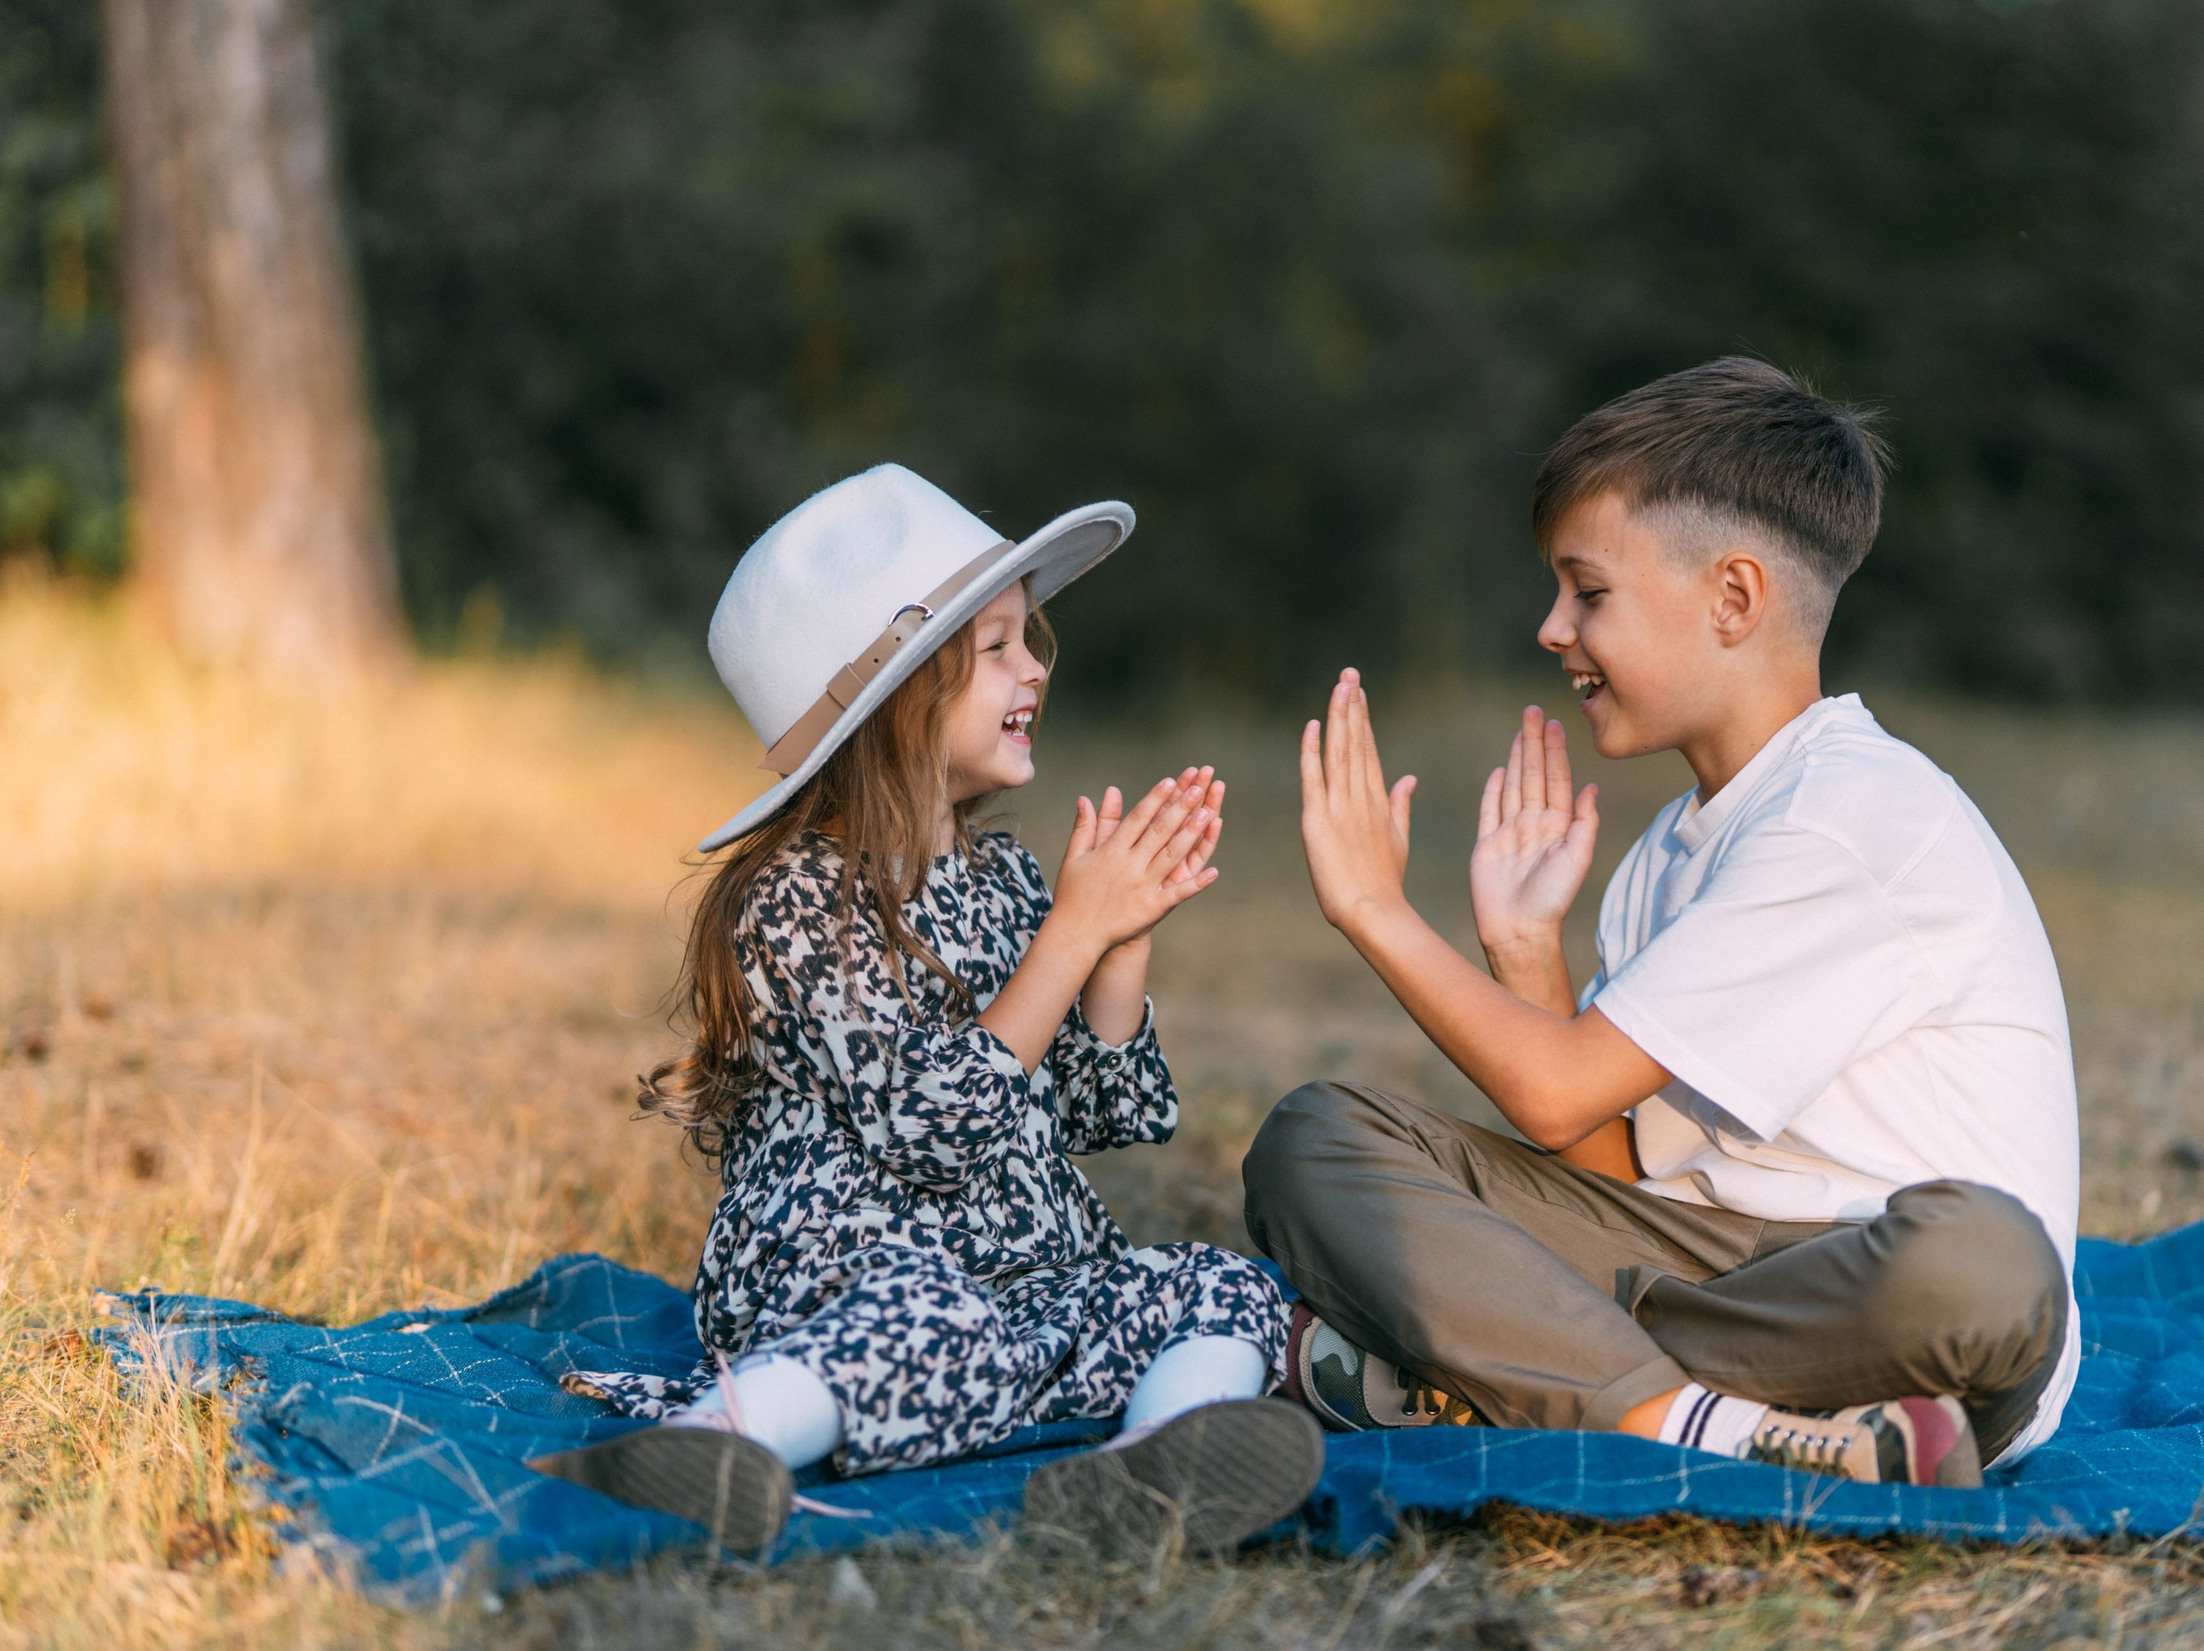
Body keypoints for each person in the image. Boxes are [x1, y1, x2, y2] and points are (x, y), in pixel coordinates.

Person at [1250, 358, 2079, 1488]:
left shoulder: (1852, 814)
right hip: (1697, 1270)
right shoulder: (1663, 859)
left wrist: (1372, 910)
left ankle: (1499, 1369)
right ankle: (1699, 1425)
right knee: (1316, 1136)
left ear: (1733, 599)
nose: (1551, 629)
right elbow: (1616, 1165)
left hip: (1881, 1301)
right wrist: (1526, 953)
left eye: (1586, 592)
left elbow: (1552, 1094)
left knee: (1985, 1259)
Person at [533, 464, 1322, 1555]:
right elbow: (936, 1128)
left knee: (1218, 1286)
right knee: (933, 1327)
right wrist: (1069, 940)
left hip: (1024, 1279)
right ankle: (722, 1440)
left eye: (1028, 636)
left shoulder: (1003, 881)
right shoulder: (796, 901)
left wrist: (1118, 945)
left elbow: (1104, 1115)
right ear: (896, 699)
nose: (1033, 664)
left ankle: (1154, 1465)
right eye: (993, 647)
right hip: (849, 1286)